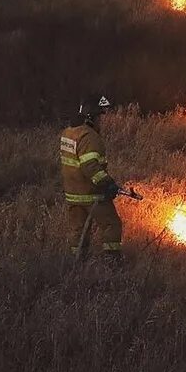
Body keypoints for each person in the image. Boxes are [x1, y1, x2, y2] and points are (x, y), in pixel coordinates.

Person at [60, 94, 123, 258]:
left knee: (78, 231)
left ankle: (77, 263)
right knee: (111, 224)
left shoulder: (68, 133)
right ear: (90, 117)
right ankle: (113, 262)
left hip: (73, 193)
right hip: (91, 193)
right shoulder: (90, 137)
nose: (101, 121)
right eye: (99, 116)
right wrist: (107, 184)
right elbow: (90, 166)